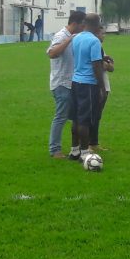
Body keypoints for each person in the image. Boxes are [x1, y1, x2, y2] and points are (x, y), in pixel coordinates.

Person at [46, 10, 86, 159]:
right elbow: (51, 53)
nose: (83, 28)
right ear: (75, 24)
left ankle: (78, 148)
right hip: (61, 83)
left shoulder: (74, 36)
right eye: (82, 25)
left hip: (72, 82)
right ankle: (54, 150)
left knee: (76, 117)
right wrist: (68, 41)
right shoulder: (61, 36)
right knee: (61, 117)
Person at [68, 13, 106, 162]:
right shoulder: (94, 41)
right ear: (97, 24)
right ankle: (85, 153)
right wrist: (102, 87)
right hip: (88, 84)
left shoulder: (76, 38)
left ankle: (74, 150)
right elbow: (96, 65)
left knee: (76, 119)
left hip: (75, 82)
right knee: (85, 120)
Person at [90, 27, 114, 152]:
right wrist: (106, 64)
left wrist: (107, 64)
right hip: (99, 85)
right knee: (93, 114)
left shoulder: (99, 47)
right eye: (102, 33)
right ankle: (88, 144)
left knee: (97, 115)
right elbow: (101, 65)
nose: (104, 35)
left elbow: (110, 66)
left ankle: (94, 143)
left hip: (104, 85)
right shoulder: (94, 45)